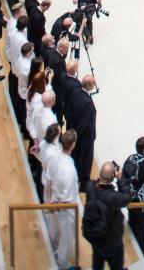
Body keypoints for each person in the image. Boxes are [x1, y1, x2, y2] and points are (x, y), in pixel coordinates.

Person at [84, 160, 131, 270]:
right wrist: (120, 179)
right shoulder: (112, 197)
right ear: (113, 177)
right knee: (117, 265)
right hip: (111, 241)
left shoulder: (90, 186)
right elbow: (127, 198)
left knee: (97, 261)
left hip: (95, 236)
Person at [48, 129, 78, 270]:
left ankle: (54, 250)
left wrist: (49, 203)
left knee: (54, 231)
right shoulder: (70, 171)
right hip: (64, 208)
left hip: (53, 200)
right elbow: (67, 200)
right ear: (73, 145)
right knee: (65, 236)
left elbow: (48, 180)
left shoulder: (54, 157)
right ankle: (63, 264)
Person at [123, 137, 144, 260]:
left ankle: (133, 238)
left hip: (128, 196)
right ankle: (143, 250)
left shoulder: (130, 158)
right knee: (142, 224)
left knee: (132, 217)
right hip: (140, 199)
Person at [64, 74, 96, 191]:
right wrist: (76, 133)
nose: (94, 86)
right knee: (86, 159)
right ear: (88, 86)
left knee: (76, 155)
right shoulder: (87, 102)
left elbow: (68, 110)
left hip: (74, 130)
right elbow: (84, 123)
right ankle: (84, 182)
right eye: (93, 84)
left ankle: (76, 176)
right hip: (86, 136)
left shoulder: (75, 92)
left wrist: (72, 130)